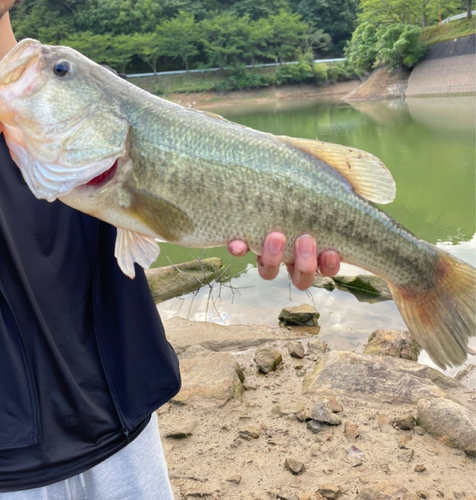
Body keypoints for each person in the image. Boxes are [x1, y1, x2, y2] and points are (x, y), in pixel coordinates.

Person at [0, 3, 340, 498]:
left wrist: (266, 212)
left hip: (125, 430)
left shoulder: (92, 98)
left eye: (59, 72)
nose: (47, 73)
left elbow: (155, 223)